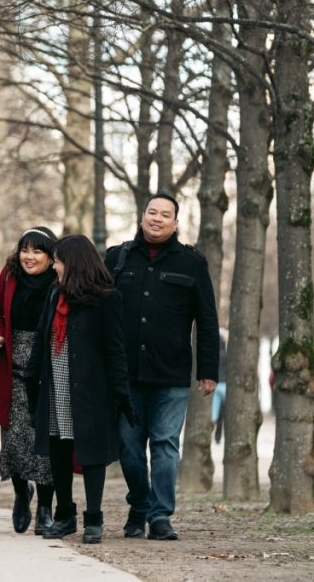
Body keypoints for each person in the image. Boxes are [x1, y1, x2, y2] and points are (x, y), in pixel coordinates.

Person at [104, 193, 219, 541]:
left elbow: (207, 319)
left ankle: (160, 515)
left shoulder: (192, 263)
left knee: (166, 444)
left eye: (164, 214)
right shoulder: (116, 258)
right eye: (151, 212)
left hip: (170, 373)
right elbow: (101, 313)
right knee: (128, 445)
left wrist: (208, 369)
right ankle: (139, 502)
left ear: (175, 222)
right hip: (125, 373)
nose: (156, 218)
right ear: (142, 216)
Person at [25, 235, 134, 545]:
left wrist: (121, 394)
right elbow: (40, 339)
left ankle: (94, 519)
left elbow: (115, 350)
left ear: (72, 263)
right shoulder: (54, 294)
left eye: (57, 260)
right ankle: (65, 515)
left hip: (91, 389)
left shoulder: (107, 298)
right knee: (58, 448)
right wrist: (31, 380)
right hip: (55, 383)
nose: (54, 265)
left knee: (92, 454)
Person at [0, 226, 59, 535]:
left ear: (50, 255)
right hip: (13, 364)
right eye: (24, 250)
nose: (29, 257)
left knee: (44, 441)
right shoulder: (9, 274)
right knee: (14, 440)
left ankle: (45, 508)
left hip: (48, 367)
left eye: (37, 251)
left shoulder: (60, 279)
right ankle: (21, 494)